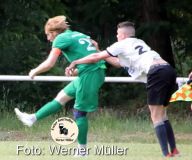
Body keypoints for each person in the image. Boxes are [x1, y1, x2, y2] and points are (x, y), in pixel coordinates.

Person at [66, 21, 180, 157]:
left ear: (123, 35)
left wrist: (76, 62)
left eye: (117, 34)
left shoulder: (122, 44)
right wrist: (98, 50)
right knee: (162, 115)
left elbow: (96, 58)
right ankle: (174, 151)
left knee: (156, 117)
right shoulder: (139, 43)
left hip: (156, 72)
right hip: (168, 70)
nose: (116, 36)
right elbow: (117, 63)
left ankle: (166, 155)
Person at [14, 15, 117, 157]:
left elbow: (50, 63)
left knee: (79, 112)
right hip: (90, 72)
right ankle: (32, 119)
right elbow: (89, 57)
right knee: (60, 98)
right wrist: (76, 70)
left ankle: (82, 151)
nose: (48, 38)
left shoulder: (60, 38)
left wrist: (34, 71)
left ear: (54, 32)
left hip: (90, 74)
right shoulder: (76, 34)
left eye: (48, 34)